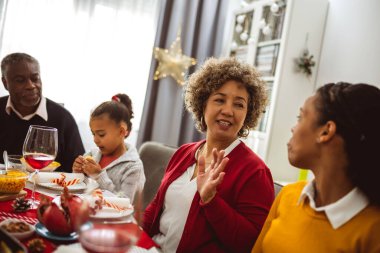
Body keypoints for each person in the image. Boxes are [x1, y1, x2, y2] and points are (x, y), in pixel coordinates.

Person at [143, 57, 275, 253]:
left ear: (248, 113)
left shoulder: (255, 172)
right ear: (203, 104)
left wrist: (211, 201)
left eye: (239, 104)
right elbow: (157, 207)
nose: (228, 111)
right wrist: (134, 235)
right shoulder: (183, 152)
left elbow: (250, 244)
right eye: (220, 100)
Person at [252, 82, 380, 253]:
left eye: (300, 118)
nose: (293, 128)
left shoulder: (372, 230)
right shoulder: (288, 196)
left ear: (326, 132)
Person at [0, 52, 85, 172]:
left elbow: (78, 171)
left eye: (35, 78)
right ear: (5, 83)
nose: (31, 85)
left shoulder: (63, 118)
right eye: (20, 80)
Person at [72, 94, 145, 201]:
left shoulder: (133, 168)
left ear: (121, 132)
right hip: (83, 211)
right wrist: (77, 173)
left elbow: (124, 203)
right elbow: (79, 189)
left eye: (101, 134)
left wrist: (99, 176)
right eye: (93, 134)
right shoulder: (92, 154)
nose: (95, 140)